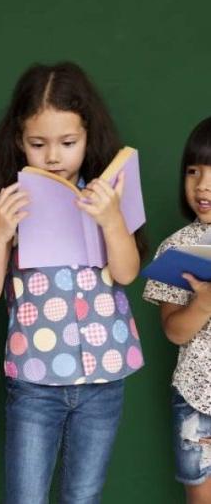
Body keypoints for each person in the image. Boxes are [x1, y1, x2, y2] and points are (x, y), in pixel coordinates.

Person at [0, 62, 145, 504]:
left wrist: (111, 221)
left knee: (83, 496)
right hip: (35, 379)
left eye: (68, 143)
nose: (53, 156)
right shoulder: (10, 203)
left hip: (103, 376)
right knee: (25, 497)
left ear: (88, 137)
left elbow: (126, 273)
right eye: (38, 144)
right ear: (18, 140)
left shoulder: (105, 194)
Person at [143, 116, 211, 504]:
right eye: (193, 171)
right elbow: (174, 330)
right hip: (197, 397)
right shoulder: (178, 249)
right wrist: (203, 303)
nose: (202, 185)